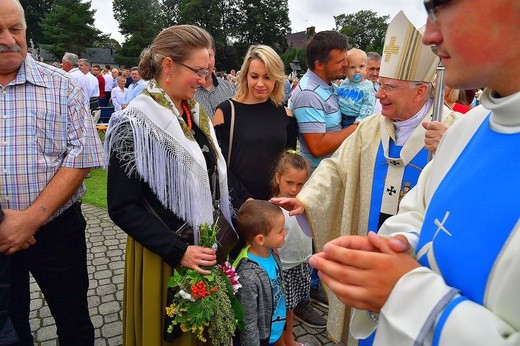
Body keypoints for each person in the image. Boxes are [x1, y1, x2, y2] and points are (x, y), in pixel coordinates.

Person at [307, 1, 520, 344]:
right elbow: (417, 211)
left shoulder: (453, 128)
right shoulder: (470, 129)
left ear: (421, 91)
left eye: (442, 8)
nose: (430, 34)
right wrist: (392, 245)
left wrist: (403, 288)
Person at [272, 11, 462, 344]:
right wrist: (306, 200)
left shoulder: (453, 130)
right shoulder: (371, 128)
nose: (377, 94)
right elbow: (335, 168)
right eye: (379, 85)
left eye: (389, 87)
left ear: (420, 91)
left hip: (414, 262)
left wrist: (451, 148)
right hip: (369, 244)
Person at [105, 24, 234, 345]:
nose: (206, 81)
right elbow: (122, 207)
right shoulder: (134, 122)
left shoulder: (193, 113)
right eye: (199, 71)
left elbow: (212, 176)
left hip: (201, 247)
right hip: (163, 255)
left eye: (209, 71)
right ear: (167, 66)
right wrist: (179, 252)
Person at [0, 1, 105, 345]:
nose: (9, 40)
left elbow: (83, 156)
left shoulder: (61, 86)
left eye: (16, 29)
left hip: (57, 230)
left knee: (73, 322)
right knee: (10, 328)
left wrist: (29, 220)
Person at [213, 45, 298, 207]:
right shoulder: (226, 112)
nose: (260, 83)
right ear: (245, 76)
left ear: (276, 79)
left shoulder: (286, 115)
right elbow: (219, 165)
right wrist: (246, 201)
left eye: (267, 77)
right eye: (254, 76)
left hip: (276, 205)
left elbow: (289, 163)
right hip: (239, 207)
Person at [271, 151, 325, 346]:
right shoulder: (272, 209)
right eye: (289, 183)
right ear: (278, 178)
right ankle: (280, 343)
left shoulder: (304, 204)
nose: (294, 189)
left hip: (300, 263)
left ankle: (290, 340)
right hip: (282, 268)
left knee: (291, 307)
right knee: (279, 310)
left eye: (300, 184)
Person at [289, 30, 357, 171]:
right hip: (319, 179)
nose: (346, 64)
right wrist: (358, 127)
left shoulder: (326, 85)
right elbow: (317, 147)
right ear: (319, 65)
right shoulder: (308, 94)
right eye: (340, 61)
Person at [233, 200, 287, 346]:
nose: (285, 232)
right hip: (261, 339)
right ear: (260, 239)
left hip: (274, 328)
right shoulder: (248, 275)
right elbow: (248, 321)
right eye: (280, 231)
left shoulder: (272, 253)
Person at [194, 36, 235, 119]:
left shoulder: (231, 90)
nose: (204, 63)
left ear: (214, 54)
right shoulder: (186, 94)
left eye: (209, 56)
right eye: (199, 57)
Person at [338, 48, 376, 127]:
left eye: (361, 66)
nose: (357, 70)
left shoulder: (367, 86)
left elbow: (369, 104)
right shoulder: (344, 83)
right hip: (339, 115)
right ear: (345, 71)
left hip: (354, 118)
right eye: (352, 67)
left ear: (366, 69)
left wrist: (361, 118)